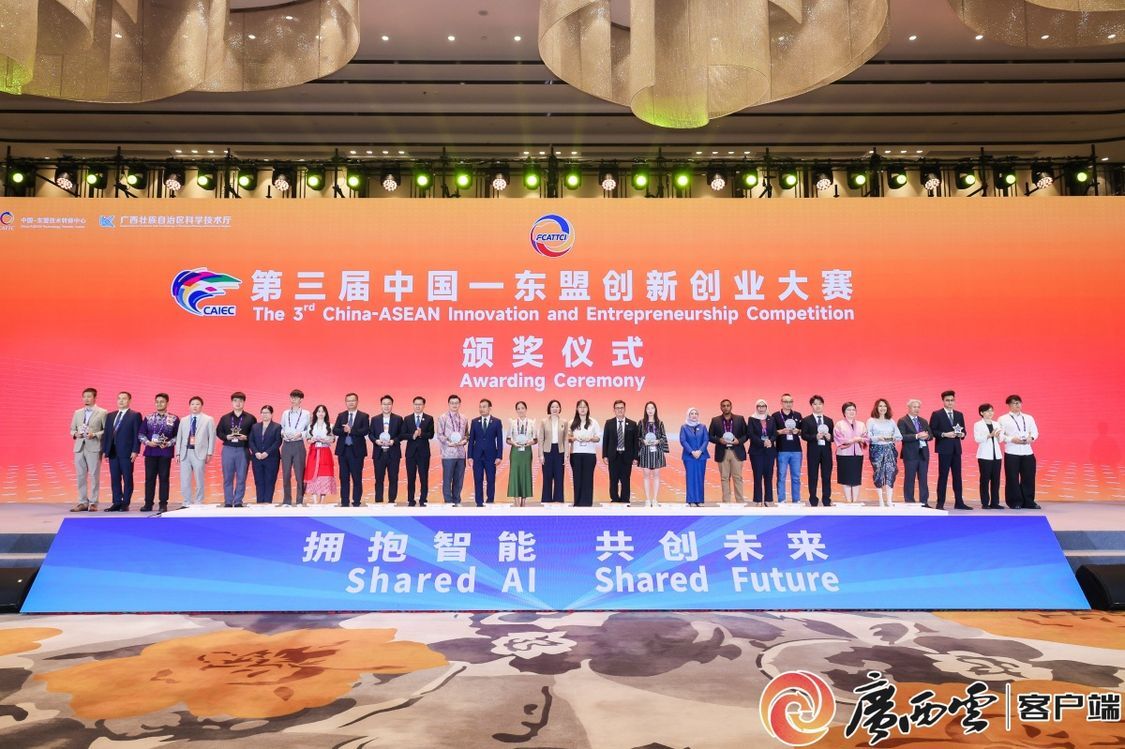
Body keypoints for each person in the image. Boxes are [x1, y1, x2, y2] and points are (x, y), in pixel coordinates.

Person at [101, 391, 142, 512]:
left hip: (127, 452)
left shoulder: (135, 415)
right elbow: (107, 434)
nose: (121, 401)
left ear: (129, 400)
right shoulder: (110, 415)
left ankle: (125, 503)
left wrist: (135, 450)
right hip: (113, 452)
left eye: (124, 398)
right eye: (119, 398)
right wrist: (106, 451)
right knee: (115, 478)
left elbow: (137, 434)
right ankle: (117, 502)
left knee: (127, 478)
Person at [930, 390, 971, 510]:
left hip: (956, 449)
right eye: (947, 400)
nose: (950, 402)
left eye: (952, 400)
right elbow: (932, 431)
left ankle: (959, 502)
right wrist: (944, 434)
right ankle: (940, 503)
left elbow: (964, 431)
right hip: (944, 449)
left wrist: (962, 434)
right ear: (943, 401)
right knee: (943, 476)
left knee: (957, 476)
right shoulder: (937, 414)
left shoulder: (959, 414)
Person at [998, 394, 1040, 509]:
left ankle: (1029, 501)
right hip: (1012, 451)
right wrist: (1012, 439)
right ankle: (1014, 502)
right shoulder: (1003, 419)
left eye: (1019, 403)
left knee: (1029, 477)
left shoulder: (1029, 417)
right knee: (1012, 478)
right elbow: (1000, 435)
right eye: (1014, 403)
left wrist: (1031, 438)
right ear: (1009, 405)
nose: (1017, 405)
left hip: (1027, 451)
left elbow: (1035, 432)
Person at [139, 393, 179, 512]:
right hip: (151, 452)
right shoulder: (148, 418)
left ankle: (163, 504)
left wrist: (169, 443)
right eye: (157, 402)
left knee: (164, 478)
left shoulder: (174, 418)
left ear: (167, 403)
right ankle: (148, 503)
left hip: (165, 452)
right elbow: (141, 434)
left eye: (162, 401)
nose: (159, 404)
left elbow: (178, 436)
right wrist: (148, 442)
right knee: (149, 478)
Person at [217, 392, 257, 508]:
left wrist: (247, 437)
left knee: (241, 476)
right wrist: (226, 437)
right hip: (228, 449)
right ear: (232, 402)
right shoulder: (225, 418)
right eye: (235, 401)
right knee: (227, 477)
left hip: (243, 449)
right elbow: (218, 432)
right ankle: (228, 501)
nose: (238, 403)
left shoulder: (251, 418)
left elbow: (255, 434)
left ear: (244, 402)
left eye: (240, 401)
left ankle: (238, 501)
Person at [70, 387, 106, 512]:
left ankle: (94, 502)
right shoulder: (77, 412)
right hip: (79, 448)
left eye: (89, 396)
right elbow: (72, 429)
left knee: (94, 475)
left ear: (95, 398)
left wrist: (94, 434)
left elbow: (106, 430)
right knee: (80, 475)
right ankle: (82, 502)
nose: (86, 399)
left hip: (94, 447)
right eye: (84, 396)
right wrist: (75, 434)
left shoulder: (102, 412)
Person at [175, 396, 215, 507]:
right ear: (189, 406)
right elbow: (179, 437)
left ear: (201, 406)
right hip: (185, 453)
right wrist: (177, 453)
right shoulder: (183, 420)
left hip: (200, 453)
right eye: (192, 404)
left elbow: (212, 437)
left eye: (197, 404)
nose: (195, 406)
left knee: (199, 479)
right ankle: (186, 502)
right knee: (185, 479)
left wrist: (209, 453)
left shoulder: (208, 419)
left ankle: (198, 501)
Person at [332, 393, 369, 507]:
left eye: (353, 400)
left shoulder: (364, 416)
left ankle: (356, 501)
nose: (351, 403)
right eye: (348, 401)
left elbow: (365, 431)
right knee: (344, 477)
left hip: (357, 451)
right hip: (343, 450)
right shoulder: (341, 415)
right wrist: (344, 430)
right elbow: (335, 430)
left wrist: (351, 430)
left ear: (357, 402)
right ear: (346, 402)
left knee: (357, 477)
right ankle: (344, 501)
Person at [708, 399, 748, 503]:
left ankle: (740, 502)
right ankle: (726, 502)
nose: (726, 407)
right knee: (724, 478)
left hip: (736, 451)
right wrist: (719, 440)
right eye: (723, 406)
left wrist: (739, 441)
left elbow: (746, 435)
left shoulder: (740, 419)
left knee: (737, 477)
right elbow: (710, 436)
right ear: (721, 407)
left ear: (731, 406)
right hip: (722, 452)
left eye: (728, 405)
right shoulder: (715, 420)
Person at [866, 398, 903, 507]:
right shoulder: (871, 421)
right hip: (876, 450)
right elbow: (867, 436)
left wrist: (893, 437)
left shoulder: (891, 421)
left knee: (890, 473)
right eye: (880, 406)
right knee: (879, 474)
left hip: (890, 449)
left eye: (885, 406)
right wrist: (878, 438)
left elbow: (899, 436)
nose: (883, 408)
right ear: (876, 408)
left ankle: (889, 500)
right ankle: (881, 500)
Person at [468, 398, 504, 506]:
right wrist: (469, 456)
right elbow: (471, 440)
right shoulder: (475, 422)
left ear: (489, 408)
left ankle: (490, 500)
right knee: (478, 479)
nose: (481, 409)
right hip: (477, 455)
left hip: (491, 455)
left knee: (491, 479)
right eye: (480, 407)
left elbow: (500, 440)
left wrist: (499, 456)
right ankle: (479, 502)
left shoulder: (497, 422)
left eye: (484, 407)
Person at [801, 395, 834, 507]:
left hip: (826, 452)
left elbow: (833, 437)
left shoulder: (829, 420)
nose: (818, 406)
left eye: (820, 404)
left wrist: (830, 437)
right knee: (813, 476)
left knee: (826, 476)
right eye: (815, 404)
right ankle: (813, 499)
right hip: (813, 452)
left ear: (823, 405)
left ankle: (826, 499)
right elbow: (804, 435)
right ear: (812, 405)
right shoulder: (806, 420)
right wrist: (815, 437)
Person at [897, 399, 932, 507]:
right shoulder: (903, 420)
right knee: (910, 479)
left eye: (918, 407)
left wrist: (927, 436)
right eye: (914, 407)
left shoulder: (923, 421)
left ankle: (924, 502)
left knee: (923, 479)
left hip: (923, 453)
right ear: (909, 408)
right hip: (910, 454)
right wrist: (917, 436)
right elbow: (901, 436)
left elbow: (931, 435)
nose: (917, 409)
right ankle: (909, 502)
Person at [602, 400, 638, 503]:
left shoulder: (632, 424)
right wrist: (605, 455)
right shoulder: (609, 423)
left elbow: (635, 442)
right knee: (613, 479)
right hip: (613, 456)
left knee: (625, 479)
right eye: (617, 408)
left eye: (621, 408)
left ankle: (625, 499)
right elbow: (605, 440)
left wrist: (636, 457)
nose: (619, 410)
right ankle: (614, 498)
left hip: (627, 456)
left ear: (625, 409)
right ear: (614, 410)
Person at [402, 395, 434, 507]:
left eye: (420, 404)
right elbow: (402, 434)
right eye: (416, 404)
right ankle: (411, 500)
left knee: (423, 477)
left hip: (424, 453)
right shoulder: (407, 419)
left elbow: (431, 434)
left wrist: (421, 434)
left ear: (423, 405)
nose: (418, 406)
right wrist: (413, 436)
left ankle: (423, 499)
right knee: (411, 477)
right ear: (413, 405)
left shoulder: (429, 418)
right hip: (411, 453)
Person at [436, 394, 469, 505]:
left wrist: (464, 441)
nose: (454, 405)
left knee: (459, 480)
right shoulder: (442, 418)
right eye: (452, 403)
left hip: (460, 454)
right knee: (447, 479)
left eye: (456, 403)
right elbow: (440, 434)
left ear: (459, 404)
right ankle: (448, 502)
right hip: (448, 454)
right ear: (449, 404)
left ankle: (457, 500)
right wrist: (448, 443)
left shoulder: (464, 418)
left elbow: (467, 434)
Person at [371, 395, 404, 504]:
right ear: (381, 405)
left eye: (389, 404)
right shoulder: (375, 419)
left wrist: (394, 441)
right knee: (379, 479)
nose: (386, 406)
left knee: (393, 478)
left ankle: (391, 501)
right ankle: (378, 501)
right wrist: (376, 441)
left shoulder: (398, 419)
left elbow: (402, 434)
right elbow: (371, 434)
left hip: (393, 453)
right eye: (384, 404)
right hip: (379, 453)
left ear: (392, 405)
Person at [279, 389, 309, 506]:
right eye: (292, 397)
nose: (293, 400)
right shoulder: (285, 413)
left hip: (298, 445)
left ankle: (299, 500)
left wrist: (300, 434)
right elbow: (282, 427)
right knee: (286, 474)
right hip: (286, 445)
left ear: (301, 399)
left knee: (300, 474)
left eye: (296, 398)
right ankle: (287, 500)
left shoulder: (306, 413)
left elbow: (308, 430)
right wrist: (283, 434)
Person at [772, 394, 803, 504]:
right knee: (781, 476)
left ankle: (796, 500)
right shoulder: (775, 416)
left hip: (796, 450)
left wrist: (798, 431)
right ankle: (781, 500)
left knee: (796, 477)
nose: (788, 404)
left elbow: (803, 432)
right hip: (782, 450)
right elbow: (772, 433)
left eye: (790, 401)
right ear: (781, 402)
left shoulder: (798, 415)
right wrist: (781, 431)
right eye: (786, 401)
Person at [636, 401, 669, 507]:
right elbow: (637, 437)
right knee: (646, 475)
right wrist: (643, 441)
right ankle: (647, 499)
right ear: (645, 410)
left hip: (656, 452)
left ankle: (654, 499)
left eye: (652, 408)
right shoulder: (641, 423)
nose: (650, 410)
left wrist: (658, 441)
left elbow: (664, 437)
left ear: (655, 410)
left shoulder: (660, 423)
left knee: (656, 475)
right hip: (645, 452)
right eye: (648, 408)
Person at [834, 402, 868, 503]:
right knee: (846, 478)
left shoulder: (861, 424)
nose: (851, 412)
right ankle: (848, 501)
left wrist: (861, 439)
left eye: (853, 410)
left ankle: (855, 501)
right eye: (849, 410)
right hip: (844, 455)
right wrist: (853, 440)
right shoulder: (839, 424)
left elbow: (866, 438)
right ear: (844, 412)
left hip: (857, 455)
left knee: (856, 479)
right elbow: (838, 439)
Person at [249, 405, 283, 504]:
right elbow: (251, 441)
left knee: (270, 481)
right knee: (258, 481)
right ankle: (259, 502)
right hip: (257, 458)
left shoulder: (277, 426)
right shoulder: (255, 426)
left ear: (271, 414)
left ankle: (268, 503)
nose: (264, 415)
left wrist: (267, 452)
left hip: (271, 458)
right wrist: (256, 452)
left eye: (267, 412)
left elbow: (278, 442)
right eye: (263, 413)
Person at [569, 399, 599, 506]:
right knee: (577, 479)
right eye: (580, 407)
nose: (582, 409)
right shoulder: (571, 422)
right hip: (575, 454)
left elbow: (598, 438)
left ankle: (587, 503)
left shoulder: (593, 422)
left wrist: (590, 438)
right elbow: (567, 437)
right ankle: (577, 503)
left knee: (588, 479)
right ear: (577, 409)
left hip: (589, 454)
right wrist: (574, 438)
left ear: (588, 408)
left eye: (584, 407)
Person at [974, 403, 1004, 510]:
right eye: (987, 411)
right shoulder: (978, 424)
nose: (990, 413)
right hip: (984, 456)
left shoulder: (997, 424)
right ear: (981, 413)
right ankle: (985, 503)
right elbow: (977, 439)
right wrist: (989, 435)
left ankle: (995, 502)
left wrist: (999, 436)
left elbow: (1001, 440)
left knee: (996, 480)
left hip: (997, 455)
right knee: (985, 480)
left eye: (992, 410)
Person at [304, 405, 336, 503]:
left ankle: (322, 501)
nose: (321, 413)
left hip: (325, 452)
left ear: (326, 413)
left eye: (323, 411)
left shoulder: (331, 426)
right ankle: (314, 501)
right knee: (313, 473)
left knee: (324, 474)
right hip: (313, 452)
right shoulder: (310, 426)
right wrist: (312, 440)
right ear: (316, 413)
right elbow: (308, 439)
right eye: (319, 411)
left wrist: (326, 439)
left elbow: (333, 439)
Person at [507, 401, 537, 507]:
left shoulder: (532, 423)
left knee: (526, 474)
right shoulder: (513, 423)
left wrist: (529, 443)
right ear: (516, 410)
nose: (520, 410)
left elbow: (535, 439)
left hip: (526, 451)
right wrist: (514, 443)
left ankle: (523, 501)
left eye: (522, 408)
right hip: (515, 451)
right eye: (518, 408)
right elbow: (508, 439)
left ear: (526, 409)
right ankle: (516, 500)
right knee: (515, 474)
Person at [748, 399, 777, 506]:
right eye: (759, 406)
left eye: (763, 406)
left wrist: (770, 441)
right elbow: (751, 434)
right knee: (757, 476)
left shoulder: (771, 419)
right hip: (756, 452)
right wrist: (762, 442)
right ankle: (758, 500)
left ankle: (768, 500)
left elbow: (774, 433)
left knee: (769, 476)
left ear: (766, 407)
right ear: (756, 407)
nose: (761, 408)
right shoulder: (752, 419)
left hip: (769, 451)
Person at [539, 399, 568, 503]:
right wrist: (541, 455)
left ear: (560, 409)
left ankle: (558, 499)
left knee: (559, 477)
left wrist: (566, 455)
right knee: (547, 477)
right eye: (552, 407)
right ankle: (546, 500)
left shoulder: (564, 422)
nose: (555, 409)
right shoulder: (544, 421)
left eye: (557, 407)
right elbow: (541, 439)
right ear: (549, 409)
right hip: (547, 451)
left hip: (560, 451)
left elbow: (565, 439)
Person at [679, 407, 709, 506]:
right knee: (691, 478)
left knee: (700, 477)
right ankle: (691, 500)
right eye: (692, 413)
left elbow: (706, 440)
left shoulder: (703, 426)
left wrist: (700, 451)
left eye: (696, 413)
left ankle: (700, 500)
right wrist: (692, 452)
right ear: (688, 415)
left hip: (701, 456)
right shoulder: (684, 427)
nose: (694, 415)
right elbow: (683, 441)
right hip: (689, 457)